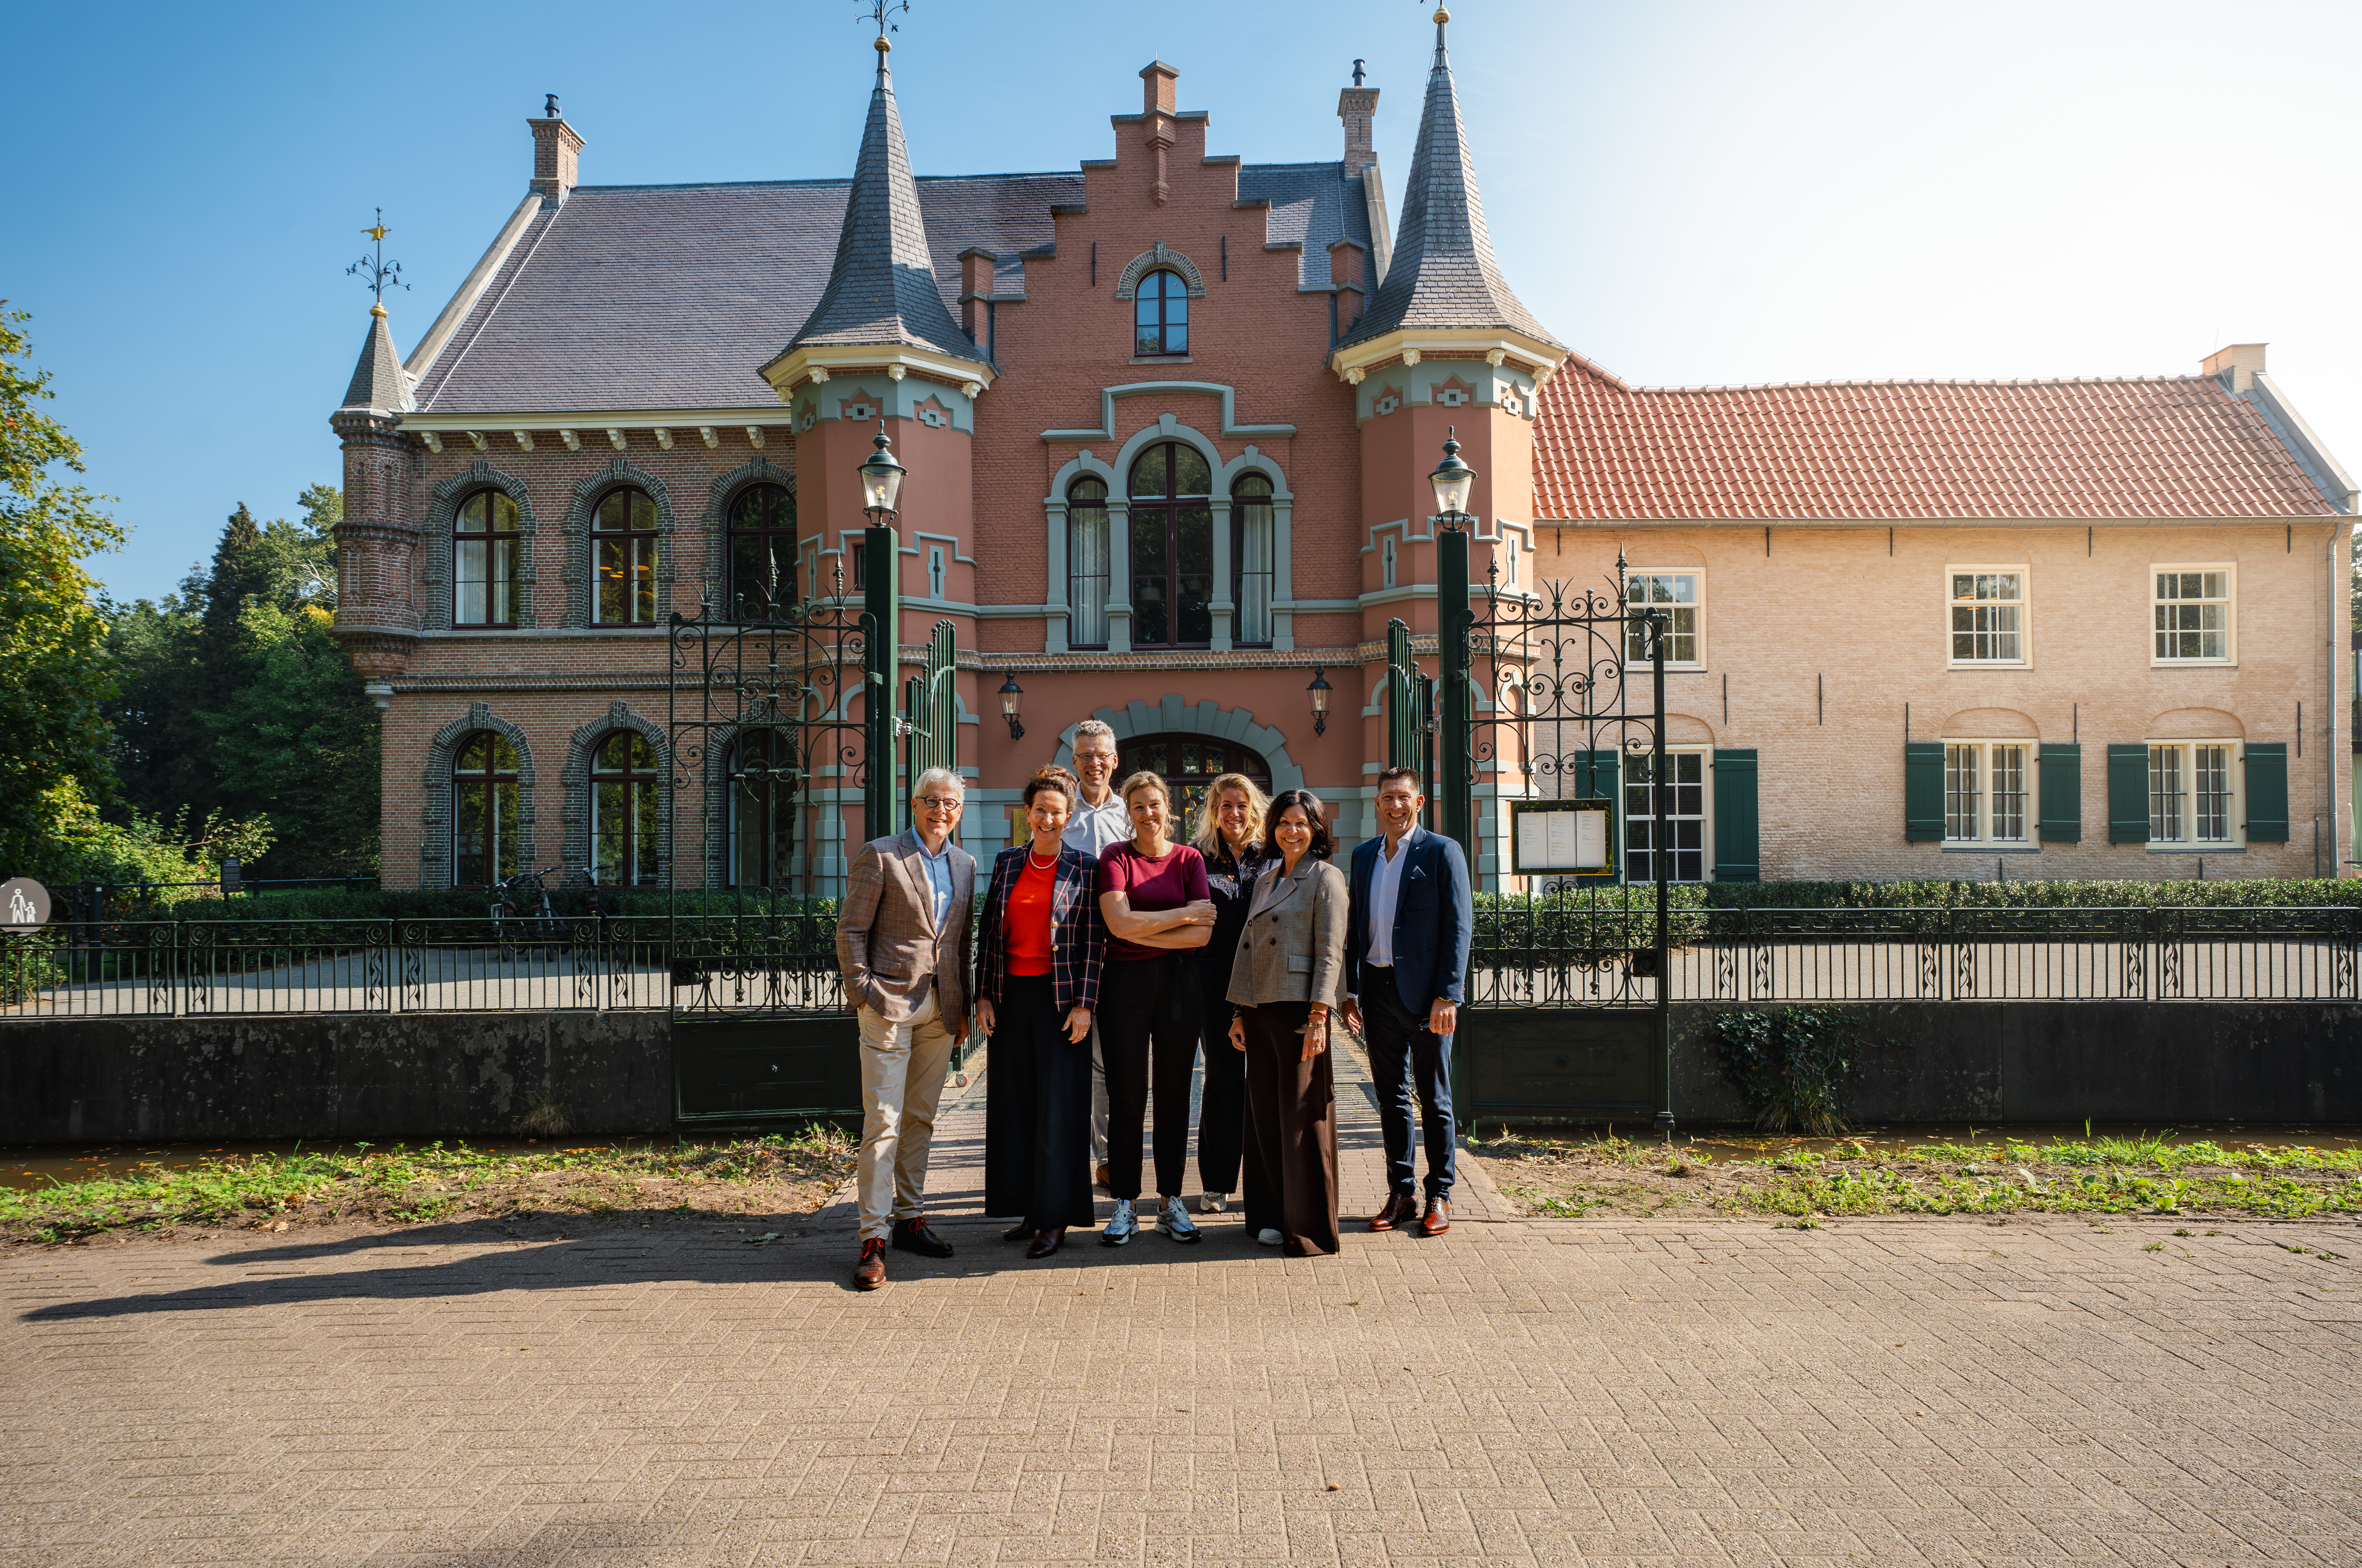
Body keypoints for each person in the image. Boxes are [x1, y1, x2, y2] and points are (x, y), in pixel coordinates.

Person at [834, 767, 978, 1289]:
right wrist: (866, 994)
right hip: (888, 1006)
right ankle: (873, 1239)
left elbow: (960, 944)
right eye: (933, 801)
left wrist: (960, 1010)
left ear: (960, 812)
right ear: (914, 805)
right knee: (885, 1122)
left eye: (952, 804)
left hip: (941, 1012)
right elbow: (850, 930)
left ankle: (911, 1219)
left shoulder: (965, 863)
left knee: (921, 1118)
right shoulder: (883, 854)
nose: (943, 810)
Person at [977, 767, 1105, 1259]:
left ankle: (1055, 1219)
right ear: (1027, 813)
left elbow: (1095, 943)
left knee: (1058, 1111)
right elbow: (990, 933)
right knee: (1019, 1107)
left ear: (1069, 816)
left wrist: (1086, 1004)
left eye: (1057, 811)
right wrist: (984, 995)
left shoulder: (1085, 867)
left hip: (1061, 1002)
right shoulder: (1007, 862)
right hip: (1011, 1000)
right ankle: (1030, 1209)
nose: (1048, 818)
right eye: (1040, 810)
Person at [1341, 767, 1472, 1237]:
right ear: (1377, 804)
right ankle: (1402, 1192)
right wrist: (1351, 992)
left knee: (1435, 1098)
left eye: (1402, 798)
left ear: (1418, 803)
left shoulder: (1441, 852)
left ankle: (1440, 1193)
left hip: (1426, 997)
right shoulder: (1362, 856)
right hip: (1375, 993)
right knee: (1391, 1098)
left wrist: (1448, 995)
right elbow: (1356, 928)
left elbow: (1459, 927)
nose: (1394, 806)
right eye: (1386, 798)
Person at [1225, 789, 1348, 1255]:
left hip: (1300, 1012)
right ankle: (1270, 1216)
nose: (1291, 831)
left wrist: (1321, 1014)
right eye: (1284, 822)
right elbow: (1248, 943)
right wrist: (1239, 1009)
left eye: (1302, 822)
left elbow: (1331, 950)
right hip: (1258, 1012)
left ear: (1316, 828)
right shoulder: (1266, 878)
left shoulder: (1327, 878)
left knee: (1301, 1118)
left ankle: (1308, 1225)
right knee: (1263, 1120)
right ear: (1272, 828)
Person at [1094, 770, 1214, 1245]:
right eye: (1139, 805)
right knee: (1127, 1095)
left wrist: (1145, 926)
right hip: (1124, 985)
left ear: (1171, 807)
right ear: (1130, 811)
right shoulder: (1115, 857)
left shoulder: (1189, 860)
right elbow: (1118, 924)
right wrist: (1182, 915)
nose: (1148, 813)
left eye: (1155, 804)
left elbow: (1204, 936)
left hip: (1180, 985)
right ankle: (1125, 1201)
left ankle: (1170, 1200)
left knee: (1174, 1094)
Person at [1190, 773, 1269, 1214]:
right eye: (1225, 806)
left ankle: (1264, 1181)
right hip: (1213, 982)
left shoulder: (1273, 856)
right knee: (1222, 1080)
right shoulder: (1198, 858)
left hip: (1267, 979)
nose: (1234, 813)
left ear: (1253, 808)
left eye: (1241, 805)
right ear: (1214, 812)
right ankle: (1217, 1182)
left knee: (1263, 1082)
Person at [1060, 719, 1131, 1186]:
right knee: (1069, 1058)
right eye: (1085, 755)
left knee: (1111, 1062)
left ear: (1114, 760)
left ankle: (1107, 1156)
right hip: (1068, 952)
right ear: (1074, 762)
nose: (1093, 763)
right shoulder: (1060, 814)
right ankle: (1066, 1159)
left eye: (1100, 754)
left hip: (1121, 952)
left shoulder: (1131, 815)